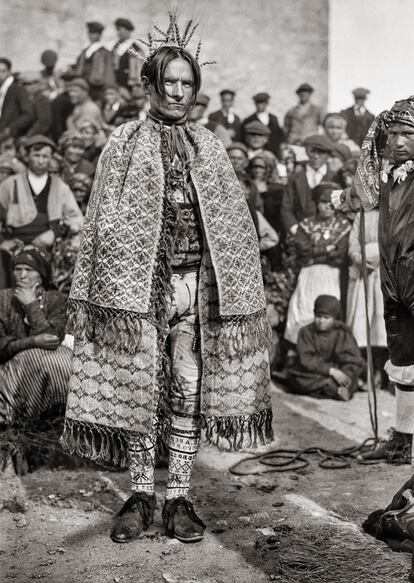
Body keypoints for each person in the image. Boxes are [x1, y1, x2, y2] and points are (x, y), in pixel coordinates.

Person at [60, 20, 273, 545]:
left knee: (187, 391)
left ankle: (178, 496)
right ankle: (139, 496)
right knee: (140, 391)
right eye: (169, 82)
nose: (178, 92)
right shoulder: (124, 142)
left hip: (198, 291)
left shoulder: (209, 145)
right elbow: (102, 222)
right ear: (150, 85)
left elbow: (232, 223)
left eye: (186, 84)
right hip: (137, 294)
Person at [333, 96, 414, 465]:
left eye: (407, 134)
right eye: (393, 134)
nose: (397, 142)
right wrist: (341, 197)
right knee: (402, 360)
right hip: (393, 279)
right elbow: (361, 198)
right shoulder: (385, 176)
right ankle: (403, 438)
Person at [0, 246, 72, 428]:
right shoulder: (2, 299)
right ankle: (21, 416)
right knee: (42, 358)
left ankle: (56, 414)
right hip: (11, 371)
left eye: (29, 270)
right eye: (18, 269)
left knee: (63, 358)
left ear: (41, 275)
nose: (22, 275)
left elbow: (52, 337)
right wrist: (32, 342)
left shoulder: (57, 300)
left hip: (49, 366)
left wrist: (31, 304)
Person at [284, 182, 351, 344]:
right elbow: (304, 252)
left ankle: (327, 349)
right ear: (316, 203)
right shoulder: (307, 224)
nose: (327, 207)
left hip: (331, 274)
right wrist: (327, 249)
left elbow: (339, 255)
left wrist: (318, 252)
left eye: (331, 204)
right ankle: (299, 347)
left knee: (328, 308)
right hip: (308, 273)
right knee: (303, 307)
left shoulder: (343, 226)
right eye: (323, 203)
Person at [0, 135, 83, 254]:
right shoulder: (10, 184)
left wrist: (54, 233)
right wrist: (3, 242)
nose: (40, 161)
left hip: (48, 248)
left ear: (51, 158)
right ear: (27, 156)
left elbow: (77, 219)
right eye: (36, 155)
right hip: (15, 246)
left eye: (45, 156)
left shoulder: (60, 186)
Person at [287, 295, 364, 400]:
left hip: (339, 371)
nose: (321, 321)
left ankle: (332, 388)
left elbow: (352, 359)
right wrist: (331, 371)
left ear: (334, 317)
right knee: (297, 377)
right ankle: (333, 388)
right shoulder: (306, 332)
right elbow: (307, 359)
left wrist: (343, 373)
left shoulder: (342, 332)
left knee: (350, 376)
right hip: (315, 371)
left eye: (326, 317)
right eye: (318, 316)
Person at [346, 210, 388, 389]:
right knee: (361, 322)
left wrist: (377, 258)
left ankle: (382, 372)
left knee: (380, 325)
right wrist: (358, 258)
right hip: (363, 270)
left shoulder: (391, 211)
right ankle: (365, 372)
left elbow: (393, 239)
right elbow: (353, 241)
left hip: (383, 269)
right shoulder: (360, 215)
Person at [281, 134, 336, 236]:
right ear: (306, 152)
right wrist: (296, 230)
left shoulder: (335, 178)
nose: (316, 156)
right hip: (299, 232)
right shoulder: (295, 178)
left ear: (328, 155)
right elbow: (286, 208)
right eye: (313, 151)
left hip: (328, 234)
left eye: (321, 153)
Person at [74, 21, 115, 102]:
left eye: (94, 33)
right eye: (90, 33)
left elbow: (108, 73)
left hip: (97, 87)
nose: (91, 36)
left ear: (99, 35)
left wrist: (107, 89)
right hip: (83, 86)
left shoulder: (105, 53)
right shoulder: (85, 51)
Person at [0, 58, 33, 144]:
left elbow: (28, 114)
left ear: (9, 72)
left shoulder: (17, 89)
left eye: (3, 71)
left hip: (10, 138)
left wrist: (10, 129)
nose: (0, 74)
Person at [242, 92, 285, 158]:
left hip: (273, 152)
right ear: (255, 104)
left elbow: (278, 136)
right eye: (258, 103)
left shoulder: (273, 119)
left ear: (267, 104)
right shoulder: (249, 120)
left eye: (263, 103)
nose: (260, 106)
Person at [112, 18, 145, 89]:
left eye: (120, 30)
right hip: (116, 85)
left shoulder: (136, 49)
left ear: (128, 30)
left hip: (130, 85)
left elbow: (140, 70)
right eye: (117, 30)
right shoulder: (116, 47)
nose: (118, 33)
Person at [19, 71, 53, 137]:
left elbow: (43, 122)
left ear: (37, 84)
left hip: (37, 138)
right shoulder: (27, 98)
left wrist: (27, 137)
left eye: (28, 84)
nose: (25, 86)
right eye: (23, 84)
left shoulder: (41, 99)